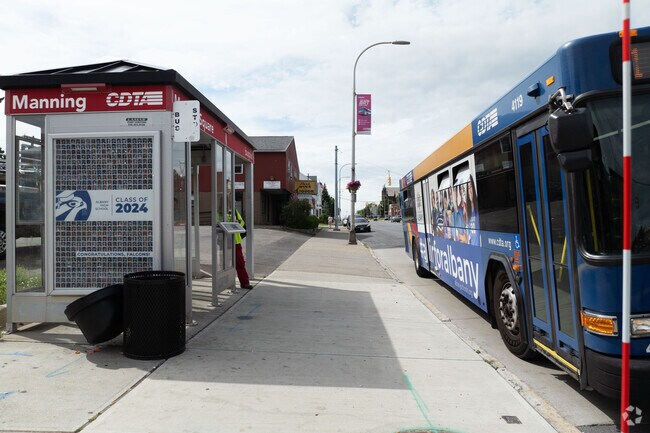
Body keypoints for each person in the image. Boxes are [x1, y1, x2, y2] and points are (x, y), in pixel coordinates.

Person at [232, 209, 253, 289]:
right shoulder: (219, 211)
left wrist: (236, 222)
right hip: (225, 242)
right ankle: (225, 283)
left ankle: (244, 282)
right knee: (224, 264)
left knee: (240, 263)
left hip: (236, 242)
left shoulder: (234, 210)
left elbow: (242, 222)